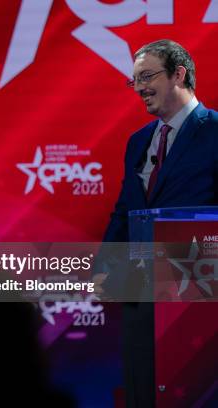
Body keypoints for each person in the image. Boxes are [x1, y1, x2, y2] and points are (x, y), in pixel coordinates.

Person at [98, 39, 218, 407]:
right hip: (139, 289)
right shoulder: (138, 142)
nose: (140, 88)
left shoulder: (214, 131)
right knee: (142, 390)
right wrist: (103, 268)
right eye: (134, 81)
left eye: (147, 76)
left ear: (179, 74)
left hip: (198, 296)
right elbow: (125, 211)